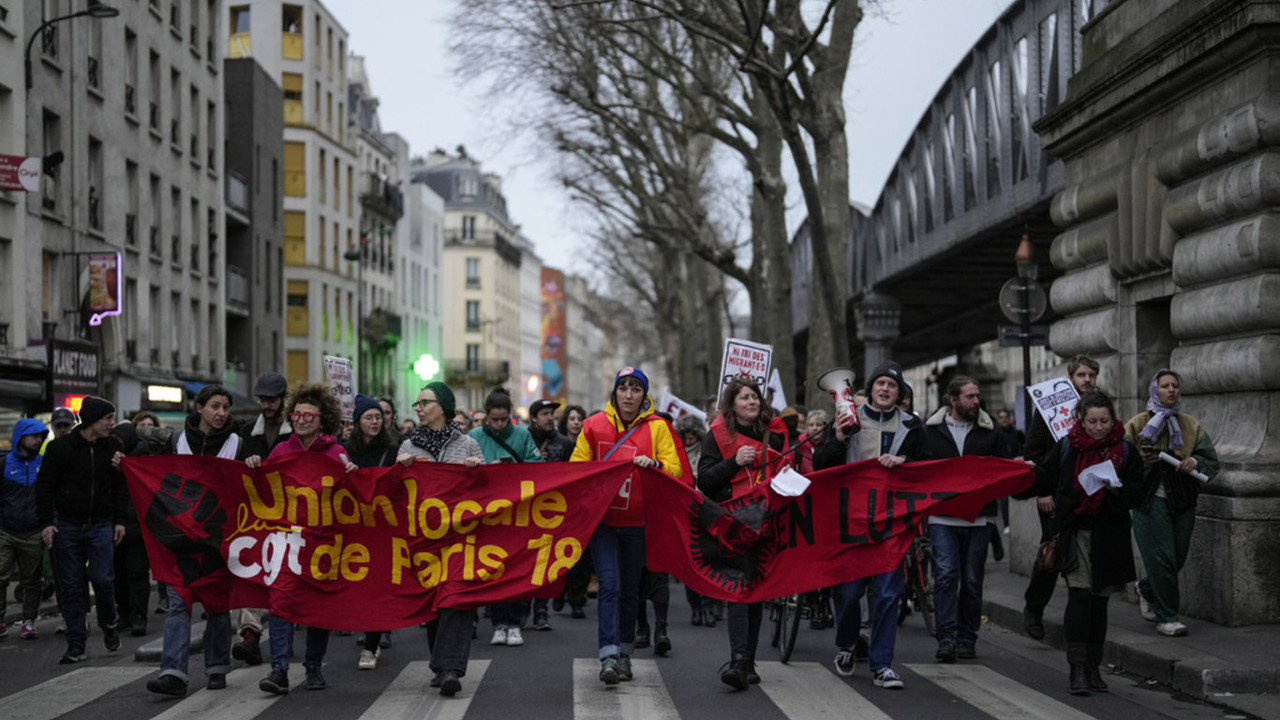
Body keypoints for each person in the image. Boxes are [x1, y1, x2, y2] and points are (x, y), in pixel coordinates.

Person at [814, 361, 926, 690]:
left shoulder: (913, 426)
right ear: (872, 389)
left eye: (892, 385)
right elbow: (820, 464)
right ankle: (847, 644)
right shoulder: (848, 418)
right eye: (880, 384)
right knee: (849, 594)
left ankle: (882, 665)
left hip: (892, 522)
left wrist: (905, 462)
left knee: (888, 594)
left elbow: (930, 466)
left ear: (899, 392)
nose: (885, 389)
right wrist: (837, 437)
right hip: (852, 521)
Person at [571, 366, 685, 686]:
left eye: (636, 389)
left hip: (638, 522)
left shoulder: (658, 427)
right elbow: (576, 468)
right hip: (604, 523)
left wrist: (655, 464)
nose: (629, 395)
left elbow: (675, 469)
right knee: (609, 585)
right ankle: (608, 654)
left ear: (644, 395)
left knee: (630, 591)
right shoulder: (594, 425)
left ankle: (624, 652)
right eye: (623, 388)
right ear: (615, 392)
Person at [1036, 391, 1148, 695]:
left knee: (1099, 602)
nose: (1099, 427)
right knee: (1080, 596)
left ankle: (1093, 667)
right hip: (1077, 532)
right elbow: (1045, 479)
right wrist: (1030, 473)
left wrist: (1115, 489)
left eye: (1104, 421)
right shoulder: (1066, 447)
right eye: (1093, 422)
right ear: (1081, 421)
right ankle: (1077, 670)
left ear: (1113, 420)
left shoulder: (1125, 450)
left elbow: (1138, 492)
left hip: (1109, 535)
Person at [250, 383, 357, 694]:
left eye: (309, 416)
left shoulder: (337, 453)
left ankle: (313, 666)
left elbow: (351, 500)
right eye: (297, 415)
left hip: (322, 544)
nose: (301, 420)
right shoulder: (281, 451)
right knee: (280, 602)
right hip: (286, 542)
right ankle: (279, 669)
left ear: (322, 420)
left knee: (317, 607)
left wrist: (353, 476)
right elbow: (265, 490)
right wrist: (255, 467)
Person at [144, 386, 245, 697]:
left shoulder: (238, 443)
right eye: (215, 406)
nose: (221, 413)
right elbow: (154, 471)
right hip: (181, 539)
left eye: (225, 407)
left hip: (219, 540)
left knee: (217, 606)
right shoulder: (177, 440)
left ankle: (217, 668)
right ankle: (173, 673)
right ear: (199, 408)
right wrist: (125, 462)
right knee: (179, 604)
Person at [697, 377, 789, 690]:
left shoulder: (775, 434)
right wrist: (734, 463)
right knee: (738, 589)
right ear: (732, 404)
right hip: (733, 524)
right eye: (744, 397)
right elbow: (705, 481)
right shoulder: (717, 436)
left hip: (766, 523)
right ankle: (737, 661)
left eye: (754, 397)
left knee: (755, 593)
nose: (751, 402)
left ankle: (748, 661)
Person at [396, 381, 484, 696]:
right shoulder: (408, 447)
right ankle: (440, 664)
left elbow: (488, 492)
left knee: (457, 597)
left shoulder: (468, 445)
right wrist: (399, 471)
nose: (418, 409)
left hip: (460, 538)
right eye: (417, 404)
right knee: (434, 603)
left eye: (425, 403)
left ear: (442, 407)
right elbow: (395, 495)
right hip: (424, 540)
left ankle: (450, 669)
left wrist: (477, 471)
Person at [922, 376, 1014, 663]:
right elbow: (918, 466)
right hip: (942, 517)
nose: (976, 401)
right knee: (946, 577)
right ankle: (946, 638)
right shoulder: (930, 431)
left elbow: (1004, 467)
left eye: (977, 396)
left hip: (979, 518)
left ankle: (966, 638)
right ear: (953, 400)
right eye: (970, 396)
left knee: (972, 581)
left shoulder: (991, 430)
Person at [1125, 369, 1219, 638]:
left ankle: (1146, 587)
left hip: (1182, 499)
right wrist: (1141, 461)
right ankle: (1167, 616)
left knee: (1176, 557)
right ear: (1154, 390)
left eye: (1175, 385)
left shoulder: (1191, 425)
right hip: (1148, 500)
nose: (1171, 390)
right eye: (1164, 385)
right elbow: (1120, 459)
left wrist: (1194, 461)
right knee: (1162, 558)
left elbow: (1211, 461)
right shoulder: (1138, 424)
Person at [35, 396, 127, 664]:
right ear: (91, 421)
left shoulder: (114, 446)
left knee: (103, 579)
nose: (112, 423)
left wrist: (119, 520)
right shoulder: (59, 449)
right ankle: (76, 643)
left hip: (101, 524)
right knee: (71, 586)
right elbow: (44, 487)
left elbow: (120, 487)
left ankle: (109, 623)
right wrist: (46, 523)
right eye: (107, 418)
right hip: (67, 525)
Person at [1023, 354, 1098, 640]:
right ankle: (1034, 608)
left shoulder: (1098, 406)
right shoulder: (1048, 409)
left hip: (1088, 492)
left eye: (1091, 375)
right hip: (1054, 494)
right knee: (1052, 552)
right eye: (1082, 375)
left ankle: (1081, 615)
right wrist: (1042, 490)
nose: (1087, 380)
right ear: (1070, 379)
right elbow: (1033, 452)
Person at [469, 388, 543, 645]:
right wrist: (482, 469)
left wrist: (514, 469)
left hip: (516, 512)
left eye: (503, 419)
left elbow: (538, 467)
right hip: (487, 514)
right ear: (487, 416)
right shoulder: (474, 436)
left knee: (516, 568)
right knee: (493, 568)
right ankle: (498, 623)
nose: (499, 424)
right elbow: (463, 470)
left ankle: (515, 623)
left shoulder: (522, 435)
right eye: (494, 420)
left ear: (510, 415)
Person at [232, 371, 293, 665]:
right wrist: (246, 464)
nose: (267, 405)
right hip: (256, 518)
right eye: (263, 400)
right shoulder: (246, 433)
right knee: (251, 573)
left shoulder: (296, 432)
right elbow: (233, 471)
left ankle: (284, 637)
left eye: (272, 400)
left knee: (285, 579)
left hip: (292, 517)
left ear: (283, 400)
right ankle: (250, 635)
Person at [345, 394, 401, 669]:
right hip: (352, 527)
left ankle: (371, 645)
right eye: (369, 417)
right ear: (358, 422)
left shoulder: (392, 449)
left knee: (377, 586)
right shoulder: (345, 451)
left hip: (382, 527)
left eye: (379, 417)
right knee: (357, 586)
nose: (375, 422)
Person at [2, 418, 49, 640]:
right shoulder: (4, 463)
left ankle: (29, 620)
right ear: (21, 437)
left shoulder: (44, 464)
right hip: (5, 529)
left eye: (41, 436)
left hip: (34, 529)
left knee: (32, 579)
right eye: (34, 436)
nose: (38, 440)